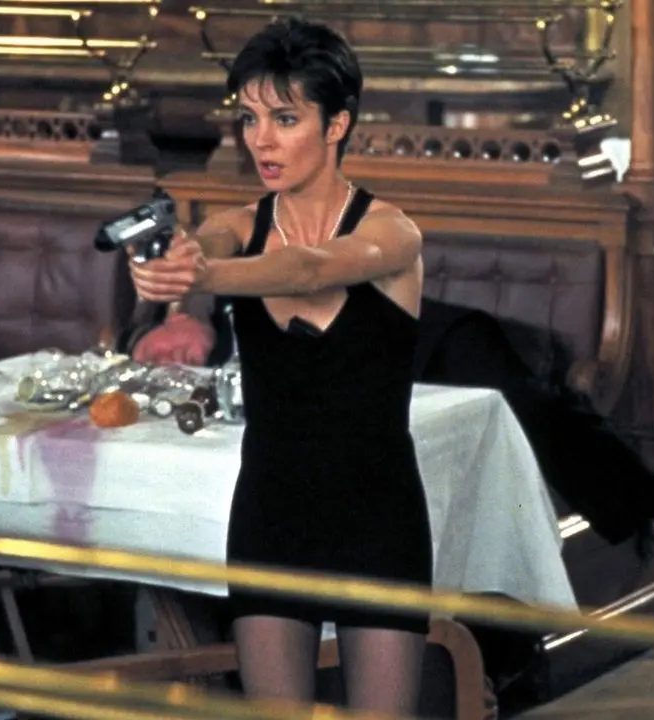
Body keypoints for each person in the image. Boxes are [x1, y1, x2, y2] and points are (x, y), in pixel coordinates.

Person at [129, 18, 431, 714]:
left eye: (285, 119)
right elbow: (203, 243)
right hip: (272, 509)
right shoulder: (235, 227)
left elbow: (309, 269)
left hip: (376, 516)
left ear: (336, 125)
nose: (261, 140)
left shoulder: (392, 232)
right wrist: (173, 264)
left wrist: (206, 276)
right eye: (250, 118)